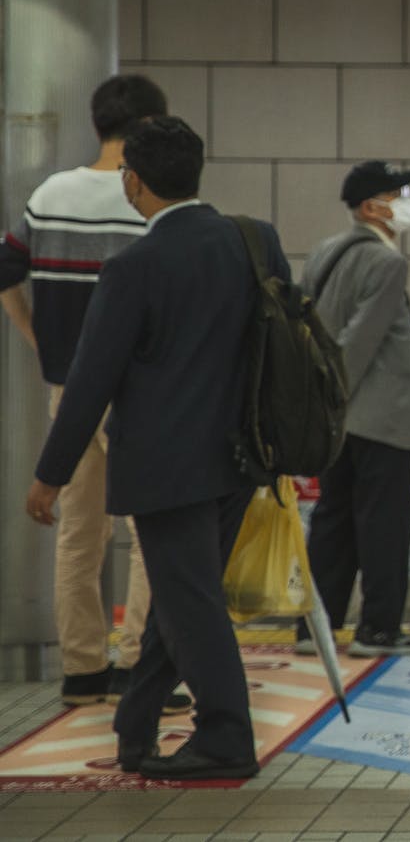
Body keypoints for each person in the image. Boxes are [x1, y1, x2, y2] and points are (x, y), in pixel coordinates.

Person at [26, 116, 287, 781]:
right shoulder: (253, 242)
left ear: (132, 182)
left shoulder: (134, 267)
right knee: (182, 597)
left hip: (167, 469)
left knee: (190, 603)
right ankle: (136, 724)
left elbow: (89, 381)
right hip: (240, 460)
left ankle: (226, 737)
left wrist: (50, 475)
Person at [0, 75, 191, 716]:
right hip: (141, 397)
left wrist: (37, 339)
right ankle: (142, 664)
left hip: (69, 390)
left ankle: (82, 671)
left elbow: (6, 271)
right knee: (150, 535)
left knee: (77, 536)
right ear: (148, 129)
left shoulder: (52, 193)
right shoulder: (148, 198)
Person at [296, 162, 410, 658]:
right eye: (398, 194)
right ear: (372, 206)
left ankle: (316, 630)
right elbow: (359, 343)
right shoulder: (387, 262)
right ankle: (378, 629)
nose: (405, 203)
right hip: (383, 419)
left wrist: (323, 402)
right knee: (384, 527)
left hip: (339, 423)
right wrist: (338, 387)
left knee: (332, 523)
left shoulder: (325, 252)